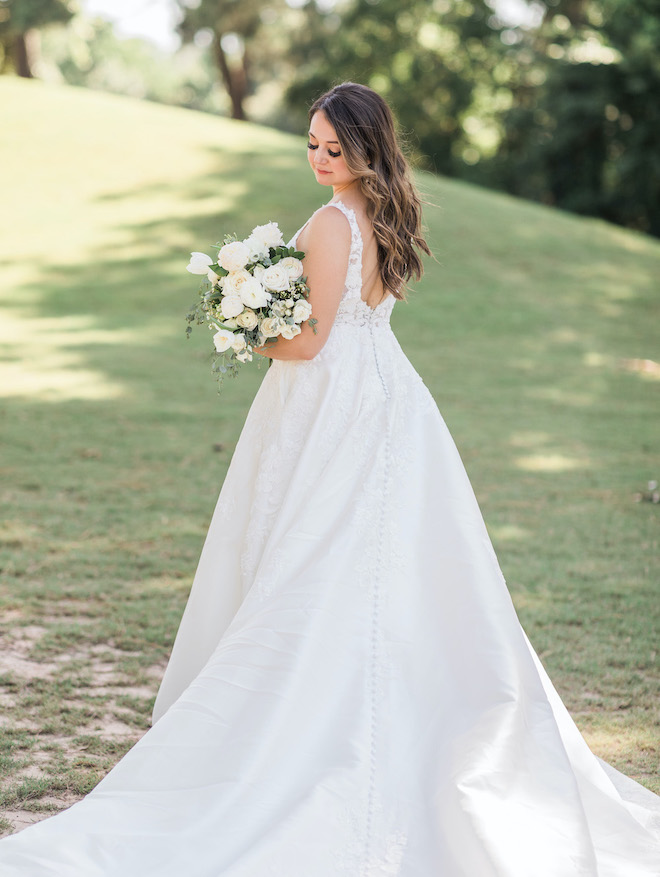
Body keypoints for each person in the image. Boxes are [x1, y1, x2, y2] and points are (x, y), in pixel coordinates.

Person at [0, 81, 658, 876]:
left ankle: (299, 730)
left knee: (315, 556)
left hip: (333, 407)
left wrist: (243, 326)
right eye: (311, 143)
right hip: (389, 400)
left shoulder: (331, 222)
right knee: (387, 565)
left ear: (364, 148)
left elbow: (307, 343)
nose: (318, 158)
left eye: (332, 148)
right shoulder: (384, 217)